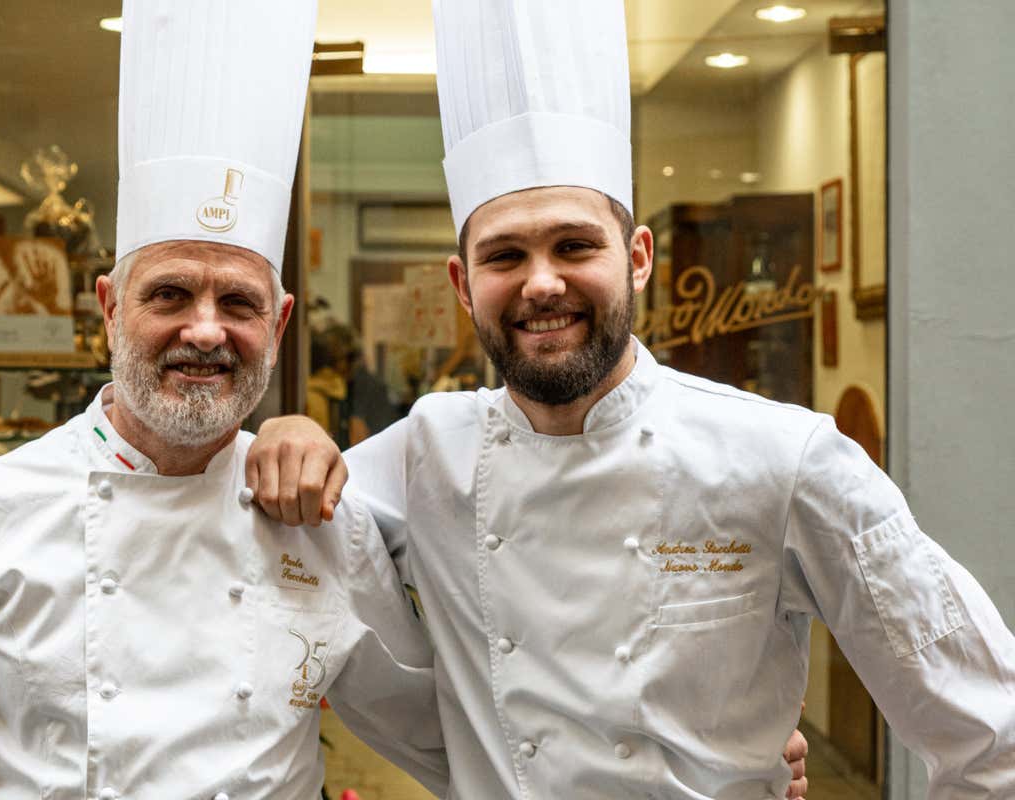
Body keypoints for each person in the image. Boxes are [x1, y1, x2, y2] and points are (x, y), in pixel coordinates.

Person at [246, 0, 1015, 797]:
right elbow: (279, 517)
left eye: (574, 244)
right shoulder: (428, 448)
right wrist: (289, 427)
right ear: (463, 285)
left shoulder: (786, 457)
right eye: (505, 254)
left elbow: (991, 729)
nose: (542, 281)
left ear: (638, 256)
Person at [0, 2, 447, 797]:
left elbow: (442, 737)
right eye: (169, 294)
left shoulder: (321, 519)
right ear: (108, 308)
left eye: (237, 304)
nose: (204, 332)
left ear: (277, 325)